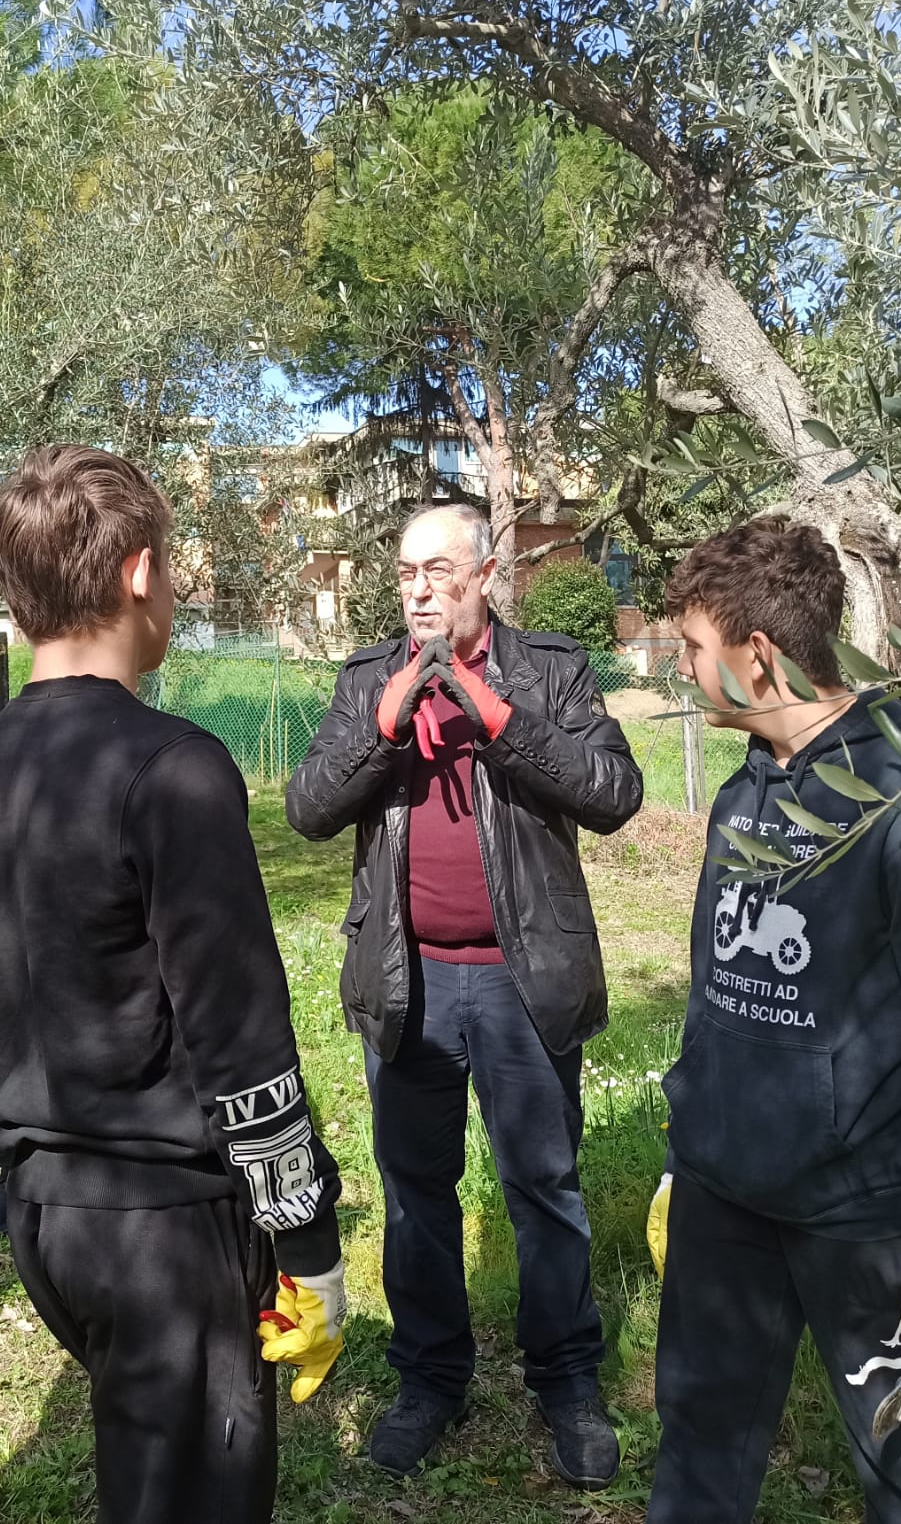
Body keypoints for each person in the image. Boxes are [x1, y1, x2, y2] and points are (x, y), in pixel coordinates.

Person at [0, 444, 347, 1524]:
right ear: (135, 571)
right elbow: (239, 1032)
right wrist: (305, 1238)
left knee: (140, 1469)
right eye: (168, 568)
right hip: (163, 1228)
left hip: (45, 1216)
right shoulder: (172, 766)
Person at [644, 516, 901, 1524]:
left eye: (691, 647)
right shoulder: (741, 795)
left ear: (756, 656)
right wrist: (689, 1150)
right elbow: (715, 992)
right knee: (696, 1445)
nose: (682, 668)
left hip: (863, 1220)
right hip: (725, 1200)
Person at [285, 503, 642, 1488]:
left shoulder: (547, 670)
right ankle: (429, 1380)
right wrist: (383, 726)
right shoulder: (367, 679)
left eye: (436, 568)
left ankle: (566, 1382)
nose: (416, 586)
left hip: (524, 978)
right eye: (404, 569)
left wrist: (498, 723)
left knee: (543, 1189)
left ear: (484, 573)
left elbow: (613, 793)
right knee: (414, 1194)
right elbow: (307, 809)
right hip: (411, 983)